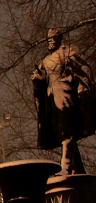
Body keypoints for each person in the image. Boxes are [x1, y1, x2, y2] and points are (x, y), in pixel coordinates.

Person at [32, 28, 94, 174]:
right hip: (51, 101)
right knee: (62, 134)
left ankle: (66, 167)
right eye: (49, 39)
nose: (51, 41)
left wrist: (82, 89)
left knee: (67, 132)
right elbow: (41, 79)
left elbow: (85, 69)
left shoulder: (68, 52)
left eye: (54, 38)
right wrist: (37, 79)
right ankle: (77, 169)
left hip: (67, 98)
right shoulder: (46, 60)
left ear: (59, 38)